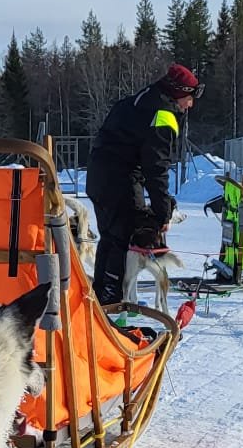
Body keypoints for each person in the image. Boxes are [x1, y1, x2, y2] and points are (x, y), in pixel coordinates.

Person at [86, 63, 202, 306]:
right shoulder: (163, 115)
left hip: (99, 176)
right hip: (120, 179)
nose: (190, 105)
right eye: (189, 98)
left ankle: (100, 298)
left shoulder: (139, 100)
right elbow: (156, 167)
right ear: (179, 93)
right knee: (122, 239)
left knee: (109, 238)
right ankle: (113, 304)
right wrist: (162, 212)